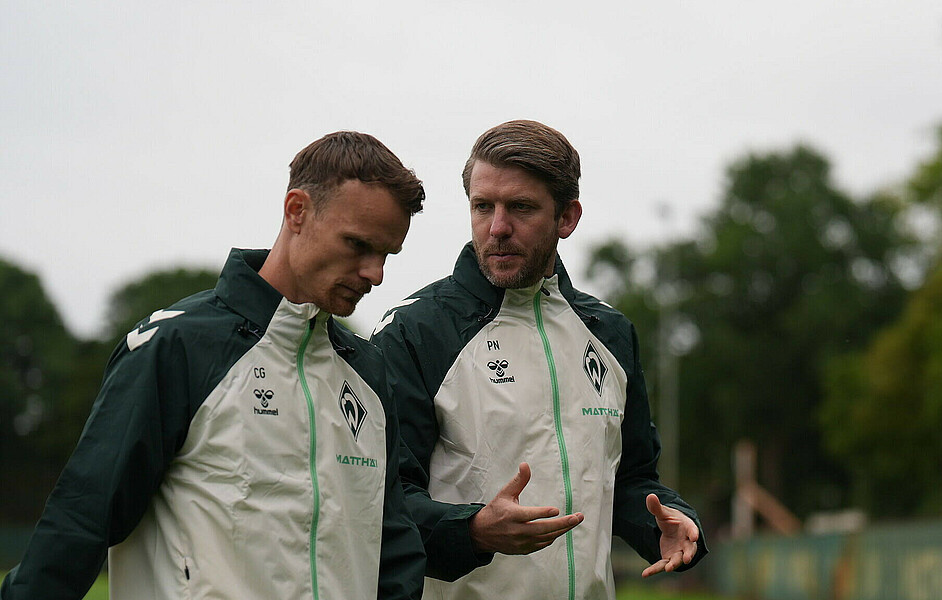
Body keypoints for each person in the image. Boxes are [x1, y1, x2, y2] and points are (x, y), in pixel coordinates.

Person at [1, 132, 427, 600]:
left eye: (387, 254)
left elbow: (395, 551)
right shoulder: (177, 345)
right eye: (358, 245)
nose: (376, 273)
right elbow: (81, 521)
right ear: (297, 211)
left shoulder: (369, 374)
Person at [371, 120, 708, 599]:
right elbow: (382, 499)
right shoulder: (415, 331)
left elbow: (630, 479)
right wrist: (474, 530)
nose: (497, 227)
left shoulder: (609, 333)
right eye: (482, 206)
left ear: (567, 218)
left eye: (521, 208)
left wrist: (668, 522)